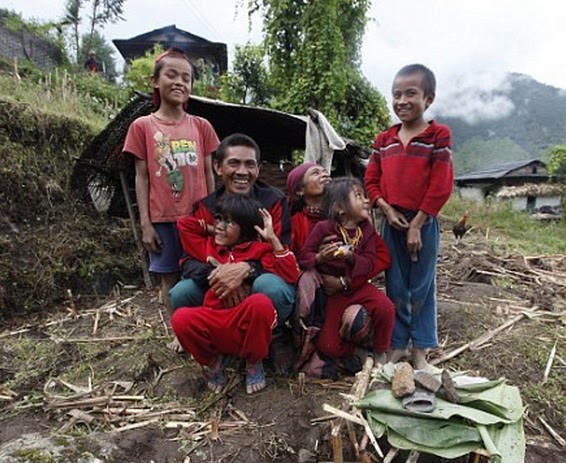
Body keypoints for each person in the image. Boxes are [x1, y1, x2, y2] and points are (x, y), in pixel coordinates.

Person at [122, 48, 220, 349]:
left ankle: (204, 325)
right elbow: (142, 176)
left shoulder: (201, 126)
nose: (180, 82)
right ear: (155, 81)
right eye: (171, 75)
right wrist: (145, 224)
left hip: (198, 219)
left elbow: (209, 172)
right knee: (169, 279)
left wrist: (214, 214)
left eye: (186, 78)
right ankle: (180, 332)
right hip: (163, 218)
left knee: (205, 274)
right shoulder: (143, 127)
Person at [364, 64, 454, 370]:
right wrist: (386, 209)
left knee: (422, 287)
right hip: (391, 223)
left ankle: (421, 352)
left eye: (410, 93)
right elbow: (371, 181)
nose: (402, 100)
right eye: (396, 94)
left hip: (423, 223)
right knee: (396, 284)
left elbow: (441, 184)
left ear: (428, 98)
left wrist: (417, 223)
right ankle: (399, 345)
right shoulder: (383, 141)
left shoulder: (437, 136)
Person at [171, 194, 300, 394]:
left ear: (246, 229)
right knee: (181, 318)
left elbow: (290, 272)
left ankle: (253, 361)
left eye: (229, 222)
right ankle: (215, 362)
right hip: (215, 319)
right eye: (219, 218)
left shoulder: (258, 250)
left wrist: (272, 239)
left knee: (260, 304)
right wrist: (213, 229)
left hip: (243, 323)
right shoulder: (209, 247)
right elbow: (184, 225)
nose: (220, 225)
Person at [169, 133, 294, 326]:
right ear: (218, 167)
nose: (242, 172)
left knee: (271, 287)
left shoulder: (274, 202)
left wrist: (247, 271)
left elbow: (282, 253)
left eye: (250, 164)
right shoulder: (206, 207)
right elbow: (188, 260)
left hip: (260, 283)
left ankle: (272, 335)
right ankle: (213, 339)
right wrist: (222, 276)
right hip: (216, 286)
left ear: (258, 170)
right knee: (181, 292)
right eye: (234, 163)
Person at [298, 177, 395, 376]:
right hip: (334, 295)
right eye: (359, 196)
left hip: (359, 288)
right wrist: (320, 257)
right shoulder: (324, 228)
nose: (367, 201)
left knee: (386, 307)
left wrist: (351, 258)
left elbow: (369, 262)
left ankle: (380, 352)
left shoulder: (365, 230)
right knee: (328, 347)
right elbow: (304, 257)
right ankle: (356, 353)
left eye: (365, 196)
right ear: (341, 208)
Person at [286, 162, 331, 255]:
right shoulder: (294, 225)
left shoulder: (345, 214)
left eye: (325, 172)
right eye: (315, 173)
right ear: (300, 190)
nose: (325, 175)